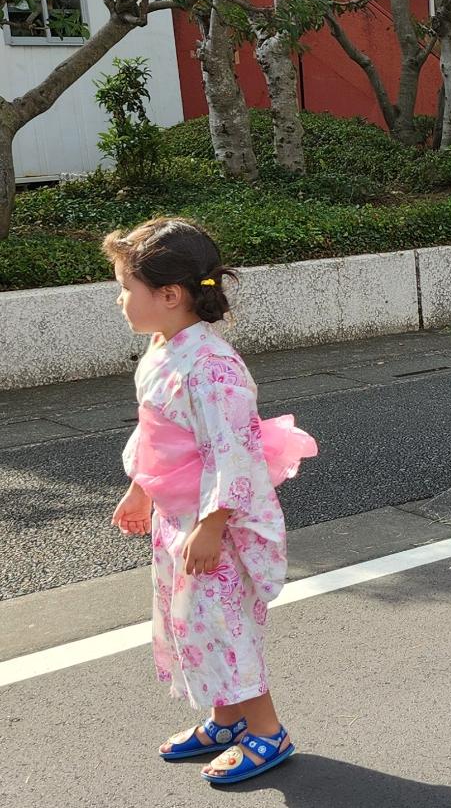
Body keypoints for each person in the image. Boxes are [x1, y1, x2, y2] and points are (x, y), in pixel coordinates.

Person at [108, 218, 316, 786]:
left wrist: (212, 524)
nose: (121, 299)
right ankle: (227, 720)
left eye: (127, 287)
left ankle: (268, 730)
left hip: (211, 523)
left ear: (169, 295)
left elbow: (234, 453)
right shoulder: (165, 349)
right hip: (179, 514)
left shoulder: (212, 367)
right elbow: (157, 432)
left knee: (223, 624)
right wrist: (141, 487)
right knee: (194, 623)